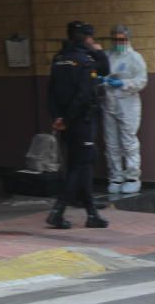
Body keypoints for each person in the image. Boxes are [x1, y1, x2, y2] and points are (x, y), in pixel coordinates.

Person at [45, 21, 110, 229]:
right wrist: (99, 53)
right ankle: (58, 210)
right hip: (82, 121)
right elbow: (84, 94)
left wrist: (58, 118)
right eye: (91, 37)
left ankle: (91, 213)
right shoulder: (85, 60)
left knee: (80, 165)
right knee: (81, 165)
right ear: (86, 38)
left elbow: (51, 92)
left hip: (66, 123)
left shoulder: (59, 59)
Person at [102, 24, 148, 195]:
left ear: (127, 39)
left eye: (121, 39)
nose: (118, 42)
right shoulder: (107, 56)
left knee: (128, 142)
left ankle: (132, 177)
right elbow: (102, 75)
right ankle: (115, 177)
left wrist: (124, 83)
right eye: (115, 39)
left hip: (128, 104)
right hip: (109, 103)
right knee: (111, 143)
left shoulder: (135, 58)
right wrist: (104, 80)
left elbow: (142, 81)